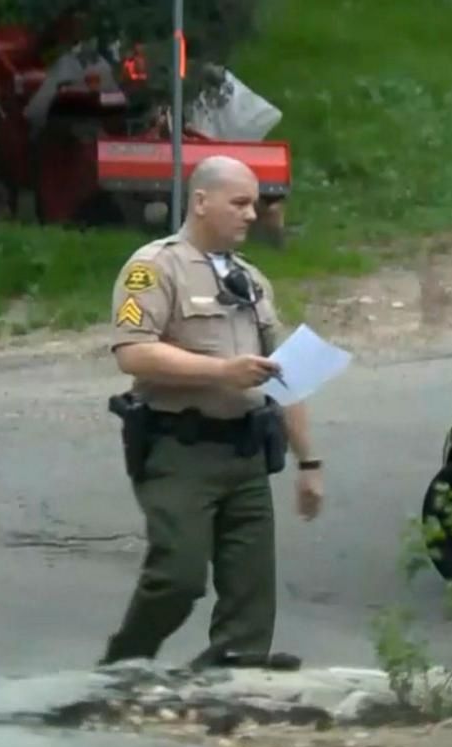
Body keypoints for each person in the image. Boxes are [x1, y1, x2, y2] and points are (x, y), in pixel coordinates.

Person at [100, 155, 324, 671]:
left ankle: (235, 671)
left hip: (246, 450)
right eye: (240, 203)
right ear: (201, 201)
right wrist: (220, 372)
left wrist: (309, 462)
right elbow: (132, 352)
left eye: (255, 204)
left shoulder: (252, 280)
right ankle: (122, 668)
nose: (251, 215)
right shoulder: (152, 268)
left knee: (251, 587)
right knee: (176, 577)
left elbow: (289, 370)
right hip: (180, 448)